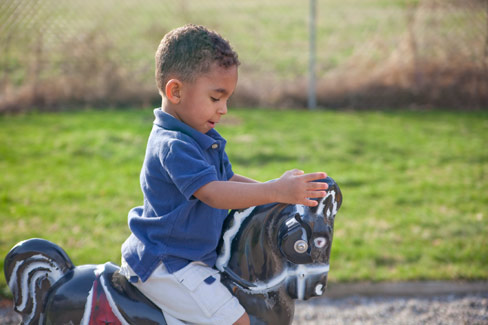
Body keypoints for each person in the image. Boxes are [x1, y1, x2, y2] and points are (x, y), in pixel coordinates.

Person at [120, 24, 328, 325]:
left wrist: (279, 200)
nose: (224, 109)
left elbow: (227, 181)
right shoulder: (173, 145)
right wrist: (275, 190)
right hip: (168, 263)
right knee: (237, 321)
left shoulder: (202, 137)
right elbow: (215, 194)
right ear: (175, 91)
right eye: (216, 98)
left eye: (227, 99)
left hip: (192, 256)